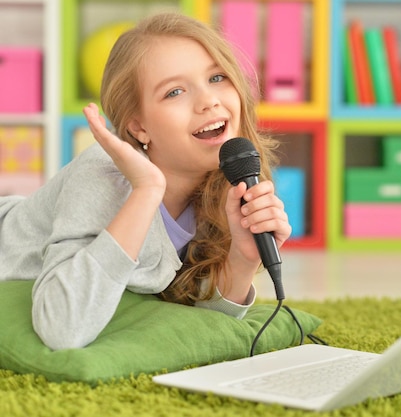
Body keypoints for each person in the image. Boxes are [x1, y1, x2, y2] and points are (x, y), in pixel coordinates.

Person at [0, 12, 291, 350]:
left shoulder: (222, 181)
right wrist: (147, 191)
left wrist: (242, 258)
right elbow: (62, 328)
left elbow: (201, 317)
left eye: (216, 78)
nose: (209, 100)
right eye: (175, 91)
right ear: (139, 127)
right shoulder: (103, 175)